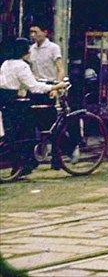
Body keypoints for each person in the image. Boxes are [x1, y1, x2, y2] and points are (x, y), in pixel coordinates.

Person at [0, 38, 67, 176]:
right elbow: (34, 87)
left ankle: (18, 166)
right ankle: (27, 163)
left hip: (6, 102)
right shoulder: (21, 65)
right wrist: (55, 86)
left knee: (13, 135)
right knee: (28, 134)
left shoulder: (6, 64)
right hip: (19, 104)